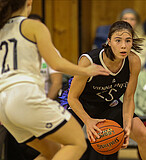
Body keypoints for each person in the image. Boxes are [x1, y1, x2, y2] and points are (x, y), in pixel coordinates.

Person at [0, 0, 110, 160]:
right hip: (24, 95)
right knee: (77, 143)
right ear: (29, 2)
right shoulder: (33, 26)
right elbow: (56, 63)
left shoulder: (2, 29)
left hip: (3, 104)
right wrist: (85, 70)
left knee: (53, 153)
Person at [67, 21, 146, 160]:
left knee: (143, 134)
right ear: (109, 42)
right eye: (118, 40)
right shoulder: (89, 61)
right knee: (66, 144)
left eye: (128, 41)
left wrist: (127, 126)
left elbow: (128, 98)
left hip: (107, 104)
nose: (123, 45)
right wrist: (88, 121)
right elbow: (72, 98)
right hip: (79, 104)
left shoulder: (133, 61)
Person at [28, 14, 63, 100]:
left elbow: (57, 83)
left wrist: (46, 103)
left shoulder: (51, 51)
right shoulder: (16, 51)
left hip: (44, 100)